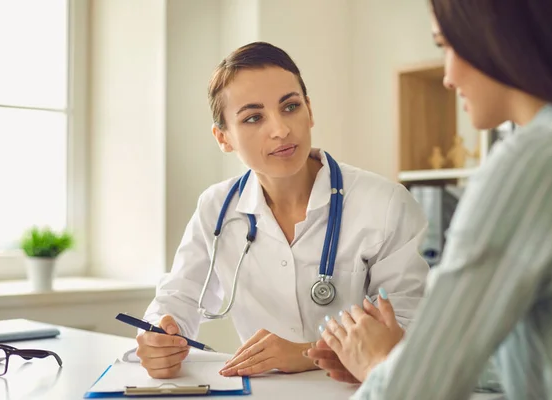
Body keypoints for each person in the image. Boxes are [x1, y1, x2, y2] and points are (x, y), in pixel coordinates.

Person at [311, 0, 552, 398]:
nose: (447, 77)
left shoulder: (532, 164)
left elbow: (413, 393)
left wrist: (381, 367)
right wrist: (402, 355)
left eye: (446, 46)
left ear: (498, 37)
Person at [135, 42, 430, 379]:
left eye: (290, 106)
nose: (280, 129)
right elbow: (178, 298)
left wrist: (307, 353)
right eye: (253, 117)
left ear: (309, 110)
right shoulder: (216, 207)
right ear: (223, 138)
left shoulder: (385, 204)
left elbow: (410, 329)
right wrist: (160, 335)